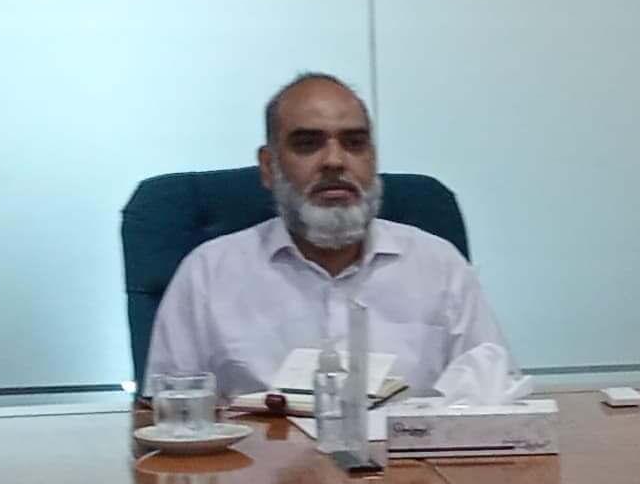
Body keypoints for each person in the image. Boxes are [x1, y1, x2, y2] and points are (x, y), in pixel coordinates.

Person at [142, 73, 508, 401]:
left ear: (373, 158)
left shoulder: (440, 266)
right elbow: (169, 418)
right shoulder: (207, 274)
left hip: (410, 457)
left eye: (354, 143)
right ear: (268, 167)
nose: (335, 161)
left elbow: (496, 399)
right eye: (307, 144)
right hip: (256, 457)